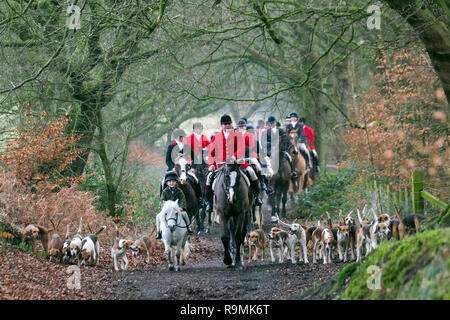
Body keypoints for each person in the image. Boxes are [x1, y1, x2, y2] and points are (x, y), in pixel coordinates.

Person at [204, 114, 263, 214]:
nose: (227, 125)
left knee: (252, 173)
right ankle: (209, 203)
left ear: (231, 124)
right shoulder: (216, 137)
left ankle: (256, 197)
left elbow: (241, 149)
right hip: (221, 164)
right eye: (225, 124)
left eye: (229, 123)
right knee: (209, 178)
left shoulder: (238, 135)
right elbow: (211, 153)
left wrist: (234, 157)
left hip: (237, 163)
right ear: (221, 125)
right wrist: (211, 164)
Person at [237, 118, 268, 200]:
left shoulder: (249, 135)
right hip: (238, 158)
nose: (241, 128)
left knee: (259, 167)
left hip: (249, 156)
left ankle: (262, 182)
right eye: (240, 126)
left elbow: (252, 147)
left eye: (243, 126)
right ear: (238, 127)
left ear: (245, 127)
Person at [155, 172, 193, 239]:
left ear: (176, 182)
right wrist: (164, 208)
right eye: (169, 182)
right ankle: (158, 232)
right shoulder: (165, 192)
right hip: (167, 210)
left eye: (173, 181)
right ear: (167, 183)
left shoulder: (179, 191)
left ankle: (188, 228)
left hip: (177, 209)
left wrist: (181, 207)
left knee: (185, 214)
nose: (171, 183)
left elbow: (182, 200)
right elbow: (162, 200)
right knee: (158, 216)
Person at [184, 122, 210, 206]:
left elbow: (209, 148)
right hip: (192, 161)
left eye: (201, 129)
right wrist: (190, 163)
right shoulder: (189, 138)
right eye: (198, 129)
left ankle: (208, 196)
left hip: (203, 159)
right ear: (194, 129)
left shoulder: (204, 137)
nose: (200, 130)